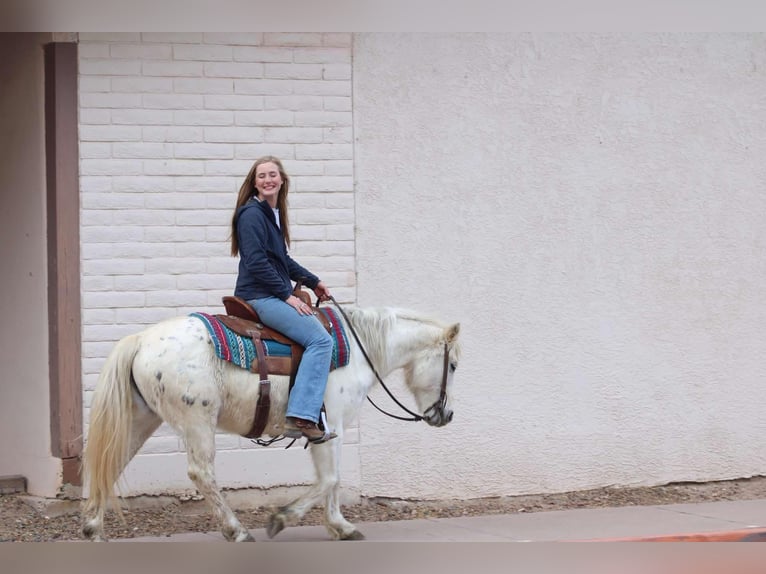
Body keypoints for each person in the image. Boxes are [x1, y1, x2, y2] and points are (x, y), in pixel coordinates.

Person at [230, 156, 336, 444]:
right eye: (262, 176)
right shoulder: (252, 215)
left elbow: (282, 261)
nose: (268, 180)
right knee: (321, 341)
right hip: (260, 295)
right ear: (255, 183)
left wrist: (314, 282)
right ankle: (301, 415)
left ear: (282, 180)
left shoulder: (271, 215)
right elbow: (256, 263)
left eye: (272, 175)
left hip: (268, 292)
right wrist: (287, 296)